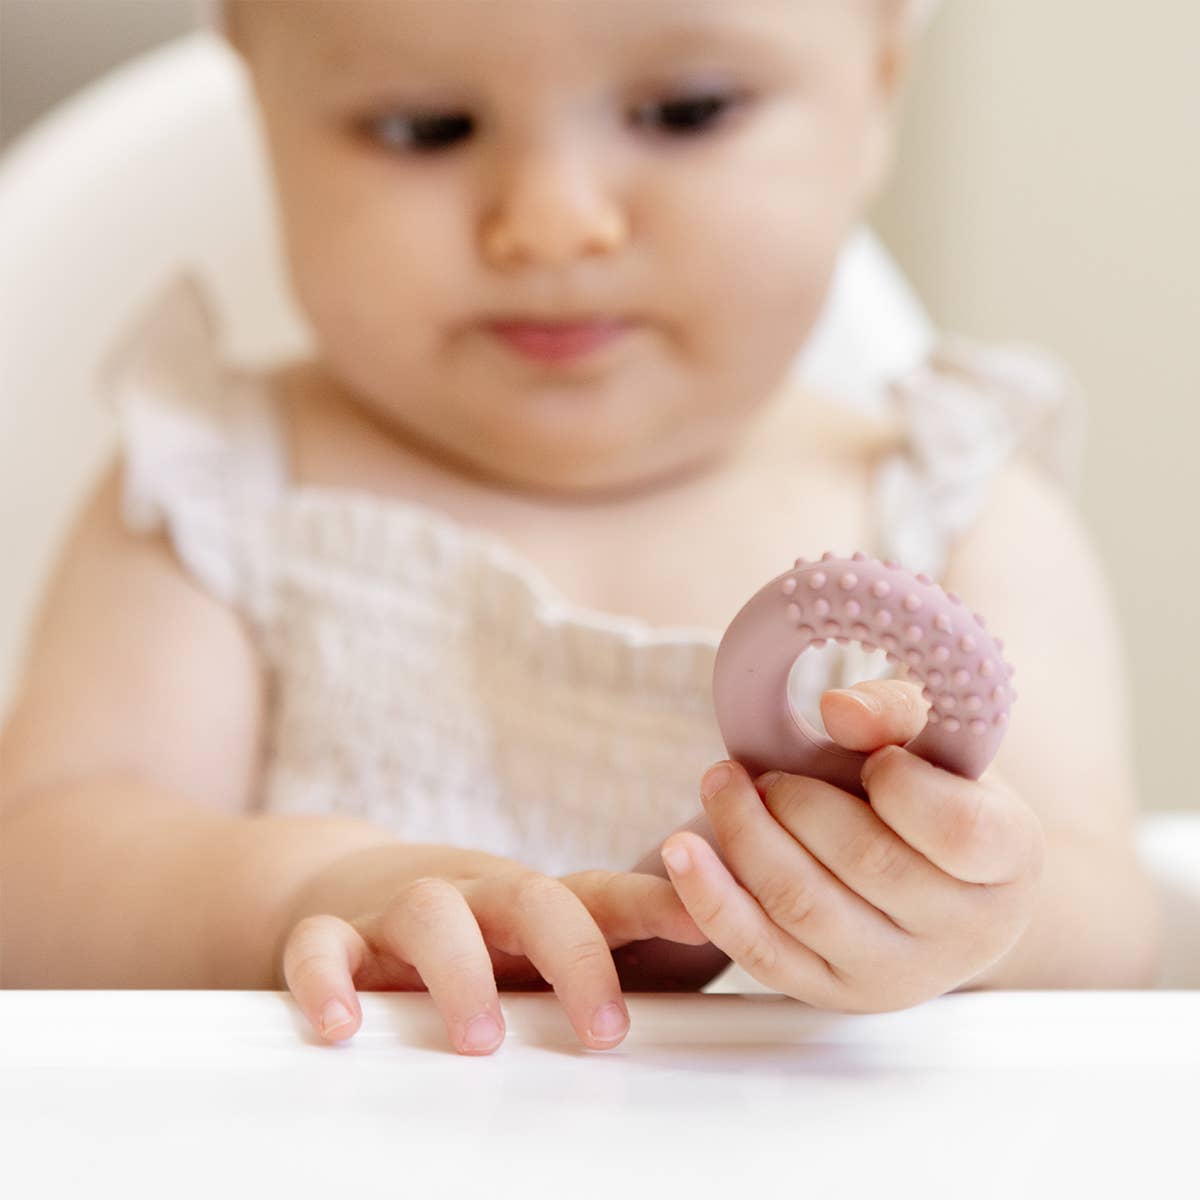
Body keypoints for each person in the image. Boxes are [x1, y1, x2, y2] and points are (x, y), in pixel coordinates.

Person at [0, 0, 1161, 1056]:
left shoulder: (957, 511)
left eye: (686, 111)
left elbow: (1115, 914)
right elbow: (38, 877)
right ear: (262, 102)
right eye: (424, 128)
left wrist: (977, 914)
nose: (553, 223)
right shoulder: (215, 490)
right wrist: (307, 892)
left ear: (880, 89)